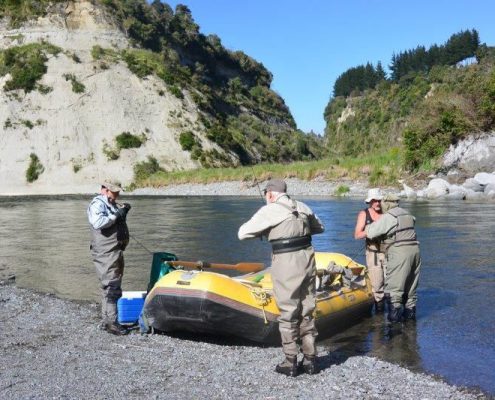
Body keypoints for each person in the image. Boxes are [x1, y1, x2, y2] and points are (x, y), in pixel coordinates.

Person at [238, 179, 325, 376]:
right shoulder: (302, 207)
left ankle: (290, 361)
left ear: (270, 194)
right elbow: (320, 228)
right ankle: (310, 360)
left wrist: (266, 229)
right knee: (307, 308)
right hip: (308, 258)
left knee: (288, 310)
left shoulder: (269, 210)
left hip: (286, 261)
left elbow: (242, 234)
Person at [365, 194, 421, 323]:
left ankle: (394, 329)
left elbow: (370, 232)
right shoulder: (408, 214)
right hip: (415, 251)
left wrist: (369, 226)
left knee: (394, 290)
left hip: (399, 253)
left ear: (387, 203)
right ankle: (410, 324)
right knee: (410, 289)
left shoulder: (389, 217)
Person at [87, 182, 131, 335]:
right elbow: (98, 222)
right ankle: (112, 323)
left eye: (118, 192)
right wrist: (116, 215)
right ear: (104, 190)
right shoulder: (97, 204)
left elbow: (114, 219)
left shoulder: (110, 203)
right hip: (105, 253)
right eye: (114, 193)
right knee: (111, 286)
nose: (117, 195)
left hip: (115, 250)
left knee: (111, 285)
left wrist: (123, 211)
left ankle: (107, 321)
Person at [354, 188, 386, 312]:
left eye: (379, 200)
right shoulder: (364, 214)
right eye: (374, 201)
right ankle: (379, 318)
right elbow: (357, 235)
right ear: (370, 202)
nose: (377, 203)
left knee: (391, 285)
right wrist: (372, 230)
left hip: (389, 253)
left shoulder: (386, 213)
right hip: (373, 255)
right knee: (377, 285)